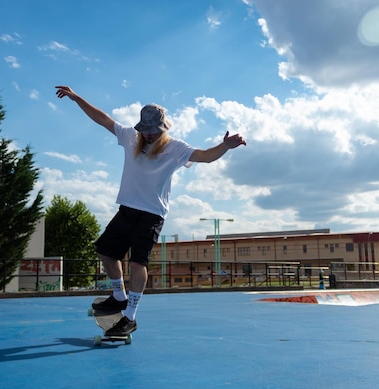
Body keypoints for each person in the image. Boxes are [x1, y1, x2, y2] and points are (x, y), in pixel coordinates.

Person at [55, 85, 246, 337]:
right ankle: (119, 296)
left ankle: (130, 317)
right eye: (145, 131)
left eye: (153, 132)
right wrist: (77, 97)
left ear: (163, 129)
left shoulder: (176, 148)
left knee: (137, 263)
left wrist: (224, 147)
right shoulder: (130, 137)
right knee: (105, 252)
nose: (148, 136)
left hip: (152, 214)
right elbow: (102, 119)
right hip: (127, 209)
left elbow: (205, 156)